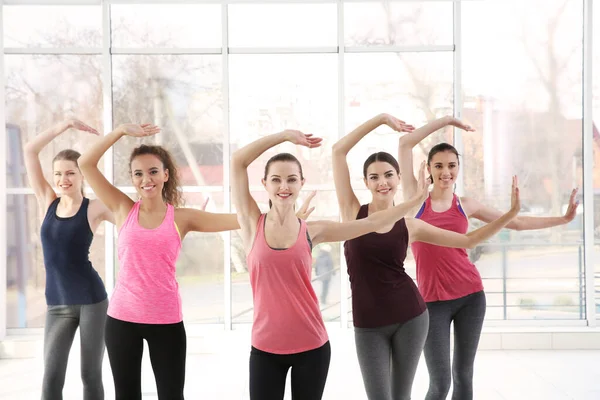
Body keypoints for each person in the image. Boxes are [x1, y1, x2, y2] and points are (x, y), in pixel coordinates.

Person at [78, 123, 314, 400]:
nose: (146, 179)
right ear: (132, 178)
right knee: (126, 395)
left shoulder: (181, 218)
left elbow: (244, 220)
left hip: (166, 321)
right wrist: (120, 132)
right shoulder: (123, 209)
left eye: (153, 171)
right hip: (121, 320)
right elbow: (86, 163)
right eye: (138, 173)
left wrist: (287, 220)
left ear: (166, 174)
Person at [231, 128, 441, 400]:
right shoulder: (251, 223)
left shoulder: (312, 230)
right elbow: (237, 162)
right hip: (265, 347)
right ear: (265, 183)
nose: (284, 186)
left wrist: (415, 201)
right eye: (277, 180)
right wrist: (283, 136)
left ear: (301, 183)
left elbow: (371, 223)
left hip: (312, 345)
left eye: (291, 180)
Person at [332, 113, 522, 400]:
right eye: (374, 177)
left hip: (410, 316)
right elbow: (338, 151)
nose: (382, 182)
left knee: (404, 396)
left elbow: (469, 240)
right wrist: (381, 119)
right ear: (366, 182)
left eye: (388, 175)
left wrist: (510, 214)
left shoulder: (411, 224)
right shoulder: (352, 214)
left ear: (398, 179)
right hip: (368, 323)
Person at [397, 115, 579, 400]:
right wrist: (447, 120)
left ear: (458, 169)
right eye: (439, 166)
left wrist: (562, 219)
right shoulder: (416, 200)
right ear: (429, 169)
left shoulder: (466, 205)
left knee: (463, 377)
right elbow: (405, 143)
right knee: (440, 382)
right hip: (432, 304)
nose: (446, 172)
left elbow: (515, 223)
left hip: (470, 297)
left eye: (451, 166)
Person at [23, 118, 113, 400]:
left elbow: (134, 218)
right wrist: (62, 126)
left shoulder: (94, 208)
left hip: (92, 301)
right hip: (57, 305)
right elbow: (29, 150)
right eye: (59, 173)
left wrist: (176, 220)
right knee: (51, 378)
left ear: (81, 175)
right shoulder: (47, 201)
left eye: (71, 173)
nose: (64, 179)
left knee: (90, 376)